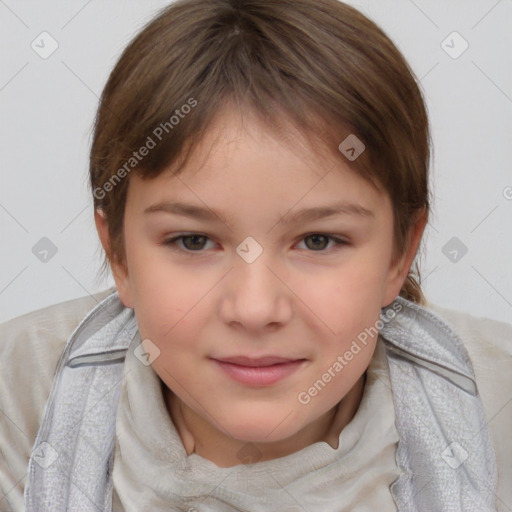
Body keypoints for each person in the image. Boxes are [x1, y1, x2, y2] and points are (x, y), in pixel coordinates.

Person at [1, 0, 511, 510]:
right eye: (193, 241)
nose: (254, 309)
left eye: (318, 241)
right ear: (120, 256)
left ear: (400, 253)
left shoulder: (498, 412)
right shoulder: (18, 402)